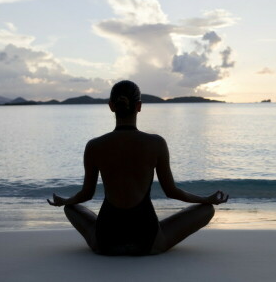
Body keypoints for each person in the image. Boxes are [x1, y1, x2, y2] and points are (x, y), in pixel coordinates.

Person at [47, 80, 228, 255]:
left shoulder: (94, 146)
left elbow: (86, 194)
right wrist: (206, 199)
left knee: (70, 208)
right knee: (207, 209)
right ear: (139, 106)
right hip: (147, 242)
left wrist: (65, 201)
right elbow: (172, 192)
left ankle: (89, 228)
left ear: (111, 106)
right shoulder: (156, 143)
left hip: (105, 242)